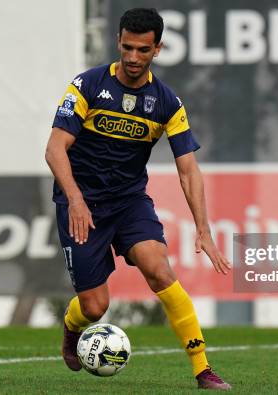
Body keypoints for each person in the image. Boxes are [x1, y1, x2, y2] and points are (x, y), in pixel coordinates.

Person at [44, 8, 232, 390]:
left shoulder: (167, 103)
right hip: (81, 204)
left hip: (129, 201)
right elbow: (54, 149)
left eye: (142, 50)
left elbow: (188, 169)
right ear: (118, 42)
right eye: (127, 47)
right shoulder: (87, 86)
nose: (132, 57)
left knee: (160, 270)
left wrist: (203, 228)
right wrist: (76, 199)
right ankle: (72, 326)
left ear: (157, 49)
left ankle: (203, 370)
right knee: (95, 307)